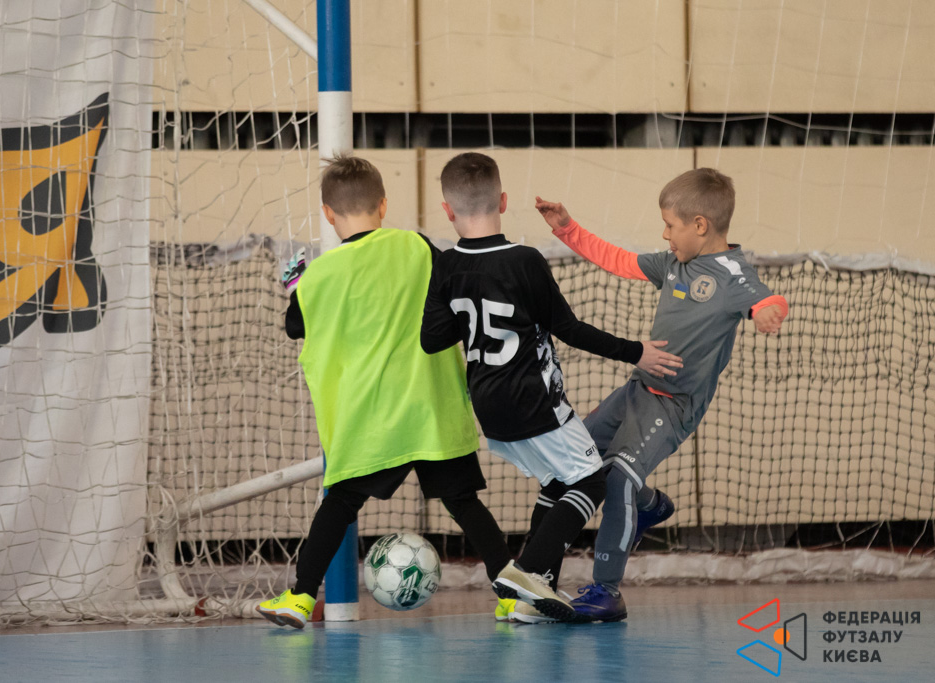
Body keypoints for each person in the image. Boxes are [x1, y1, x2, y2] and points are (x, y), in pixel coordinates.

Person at [256, 155, 554, 629]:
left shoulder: (319, 276)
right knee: (464, 503)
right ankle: (511, 596)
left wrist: (296, 285)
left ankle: (299, 597)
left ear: (328, 214)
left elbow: (297, 325)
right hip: (431, 410)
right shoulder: (417, 246)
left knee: (339, 505)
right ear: (383, 204)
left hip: (368, 420)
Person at [420, 152, 683, 624]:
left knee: (558, 482)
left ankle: (532, 598)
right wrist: (636, 351)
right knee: (591, 480)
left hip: (488, 405)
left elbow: (431, 339)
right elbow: (569, 329)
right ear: (503, 201)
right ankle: (526, 573)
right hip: (533, 401)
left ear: (447, 209)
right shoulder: (524, 261)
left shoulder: (447, 266)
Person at [534, 167, 789, 622]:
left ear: (700, 225)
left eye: (670, 225)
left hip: (673, 406)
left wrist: (770, 311)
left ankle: (607, 591)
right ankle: (649, 506)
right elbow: (617, 259)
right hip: (636, 390)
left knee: (618, 479)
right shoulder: (673, 264)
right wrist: (567, 229)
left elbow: (764, 298)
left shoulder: (732, 273)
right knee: (574, 457)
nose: (665, 234)